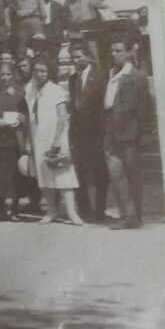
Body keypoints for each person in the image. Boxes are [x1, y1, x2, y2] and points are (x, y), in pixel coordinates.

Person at [26, 60, 84, 225]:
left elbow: (62, 117)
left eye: (43, 71)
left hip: (56, 138)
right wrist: (30, 141)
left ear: (49, 72)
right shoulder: (30, 90)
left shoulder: (56, 90)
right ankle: (51, 211)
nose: (39, 74)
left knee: (64, 176)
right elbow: (31, 118)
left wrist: (57, 140)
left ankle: (72, 212)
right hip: (38, 138)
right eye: (36, 70)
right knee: (44, 177)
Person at [103, 40, 151, 230]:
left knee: (132, 176)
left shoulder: (137, 77)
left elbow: (144, 109)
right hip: (110, 133)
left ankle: (135, 216)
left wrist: (143, 134)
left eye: (119, 50)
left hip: (129, 135)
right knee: (116, 176)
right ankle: (126, 215)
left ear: (129, 52)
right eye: (112, 51)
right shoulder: (112, 74)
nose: (114, 54)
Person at [68, 42, 109, 221]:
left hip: (96, 132)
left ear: (88, 56)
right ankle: (84, 210)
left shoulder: (100, 77)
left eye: (78, 57)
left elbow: (103, 106)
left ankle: (99, 210)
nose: (76, 61)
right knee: (80, 172)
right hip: (78, 134)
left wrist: (104, 133)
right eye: (73, 58)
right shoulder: (72, 79)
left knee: (99, 172)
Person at [0, 64, 26, 222]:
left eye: (8, 74)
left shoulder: (20, 94)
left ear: (13, 76)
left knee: (14, 176)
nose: (5, 77)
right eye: (2, 75)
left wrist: (22, 119)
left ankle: (13, 210)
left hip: (15, 139)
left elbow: (26, 114)